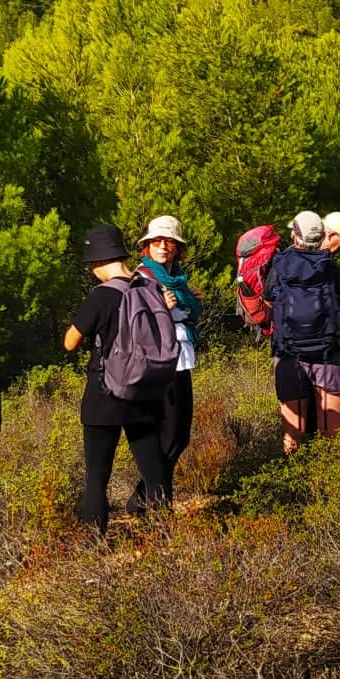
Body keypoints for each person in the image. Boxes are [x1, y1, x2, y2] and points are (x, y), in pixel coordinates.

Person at [63, 223, 169, 532]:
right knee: (153, 471)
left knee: (97, 475)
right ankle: (165, 538)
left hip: (105, 394)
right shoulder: (150, 289)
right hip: (146, 391)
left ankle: (95, 545)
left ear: (97, 261)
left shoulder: (101, 296)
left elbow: (70, 342)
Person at [266, 211, 340, 453]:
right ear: (323, 234)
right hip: (329, 353)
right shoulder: (329, 267)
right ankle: (332, 482)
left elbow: (267, 309)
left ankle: (292, 483)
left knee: (293, 431)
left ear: (295, 234)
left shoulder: (278, 266)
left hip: (289, 353)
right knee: (330, 430)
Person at [131, 214, 202, 503]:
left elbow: (189, 312)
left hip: (181, 360)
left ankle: (150, 497)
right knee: (169, 436)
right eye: (156, 241)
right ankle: (150, 500)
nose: (163, 246)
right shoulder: (141, 278)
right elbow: (134, 321)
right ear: (146, 246)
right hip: (158, 365)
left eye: (169, 241)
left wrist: (185, 299)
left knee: (177, 437)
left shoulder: (178, 281)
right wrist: (161, 305)